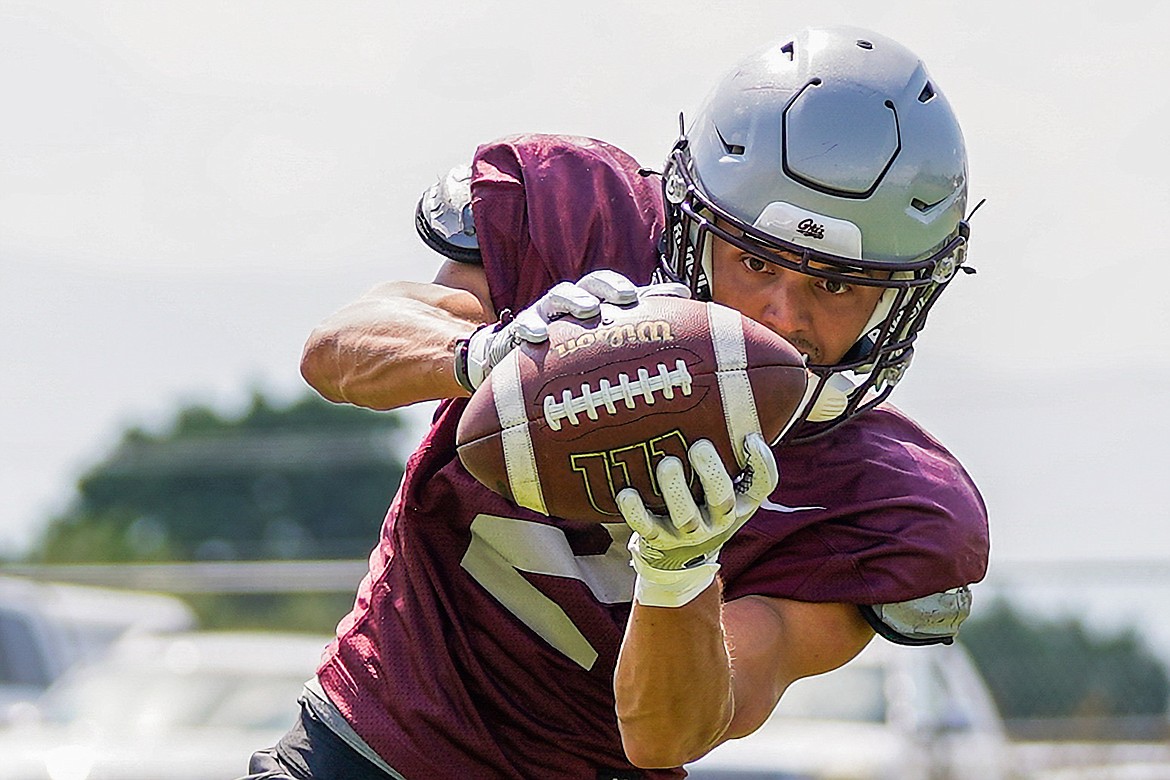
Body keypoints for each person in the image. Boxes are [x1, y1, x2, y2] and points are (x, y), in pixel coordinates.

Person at [244, 25, 988, 780]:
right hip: (364, 750)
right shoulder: (582, 229)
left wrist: (680, 573)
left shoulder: (885, 504)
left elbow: (670, 735)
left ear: (903, 297)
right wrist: (488, 355)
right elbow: (335, 349)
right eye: (754, 260)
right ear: (692, 228)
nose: (780, 316)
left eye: (834, 284)